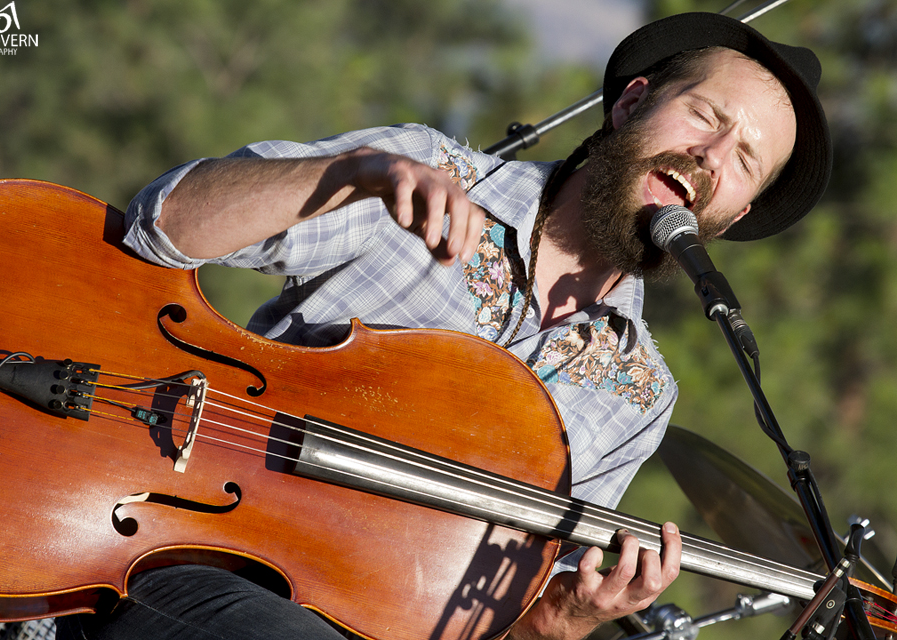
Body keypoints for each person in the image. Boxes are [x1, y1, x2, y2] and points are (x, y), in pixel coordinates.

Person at [56, 11, 831, 640]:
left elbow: (494, 624)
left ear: (733, 212)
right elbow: (164, 226)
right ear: (632, 104)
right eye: (704, 115)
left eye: (745, 161)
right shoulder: (420, 169)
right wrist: (348, 175)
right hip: (191, 557)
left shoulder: (637, 395)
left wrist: (561, 621)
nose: (711, 157)